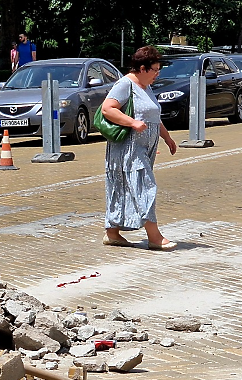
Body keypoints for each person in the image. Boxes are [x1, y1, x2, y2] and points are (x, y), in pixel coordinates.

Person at [100, 45, 177, 251]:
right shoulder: (125, 84)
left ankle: (112, 233)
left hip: (145, 147)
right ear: (142, 68)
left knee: (124, 187)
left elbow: (153, 117)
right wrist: (132, 122)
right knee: (145, 186)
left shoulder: (146, 86)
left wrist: (167, 138)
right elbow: (107, 109)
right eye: (155, 70)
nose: (157, 74)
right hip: (128, 148)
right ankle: (154, 236)